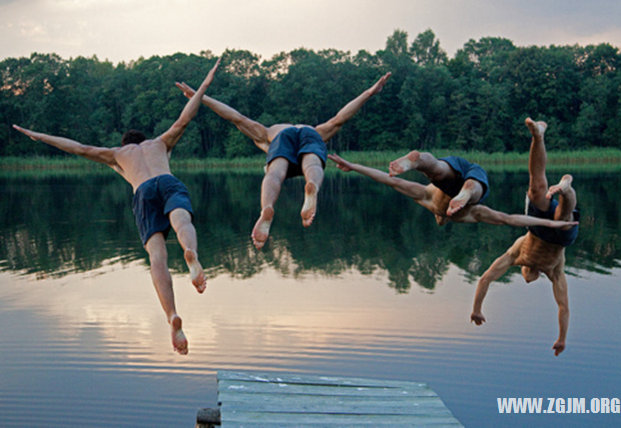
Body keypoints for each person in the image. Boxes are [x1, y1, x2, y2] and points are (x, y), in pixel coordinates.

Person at [13, 58, 221, 355]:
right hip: (167, 181)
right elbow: (185, 118)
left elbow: (78, 147)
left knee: (157, 257)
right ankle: (192, 253)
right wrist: (205, 84)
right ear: (144, 140)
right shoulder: (160, 144)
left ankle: (171, 315)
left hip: (144, 192)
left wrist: (38, 135)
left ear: (124, 145)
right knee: (182, 221)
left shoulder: (117, 154)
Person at [175, 72, 391, 249]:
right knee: (313, 164)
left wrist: (200, 96)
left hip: (280, 140)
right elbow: (340, 118)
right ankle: (313, 185)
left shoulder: (268, 134)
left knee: (274, 174)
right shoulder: (314, 130)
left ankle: (267, 208)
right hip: (311, 134)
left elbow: (235, 116)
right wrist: (369, 93)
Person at [470, 118, 579, 356]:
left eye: (525, 276)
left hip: (537, 228)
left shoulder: (516, 252)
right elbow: (563, 307)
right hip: (560, 239)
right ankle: (566, 188)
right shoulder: (554, 270)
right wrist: (562, 338)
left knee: (537, 188)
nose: (528, 278)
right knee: (564, 217)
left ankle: (538, 136)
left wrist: (477, 308)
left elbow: (485, 279)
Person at [328, 153, 578, 229]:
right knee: (435, 169)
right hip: (461, 175)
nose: (441, 218)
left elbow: (509, 219)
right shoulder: (431, 201)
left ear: (440, 217)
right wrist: (353, 166)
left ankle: (459, 191)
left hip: (462, 183)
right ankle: (420, 162)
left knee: (441, 177)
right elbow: (389, 180)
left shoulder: (428, 199)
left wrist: (355, 166)